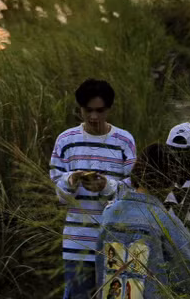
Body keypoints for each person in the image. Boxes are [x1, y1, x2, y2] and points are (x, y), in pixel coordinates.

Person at [50, 79, 137, 299]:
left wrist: (106, 186)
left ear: (109, 109)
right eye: (88, 110)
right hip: (77, 242)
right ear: (79, 109)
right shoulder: (66, 141)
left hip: (116, 241)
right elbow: (57, 191)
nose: (94, 117)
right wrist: (71, 181)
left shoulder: (124, 141)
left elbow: (134, 192)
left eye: (100, 110)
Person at [96, 143, 190, 298]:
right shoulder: (167, 222)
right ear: (170, 180)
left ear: (136, 172)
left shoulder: (109, 214)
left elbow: (100, 271)